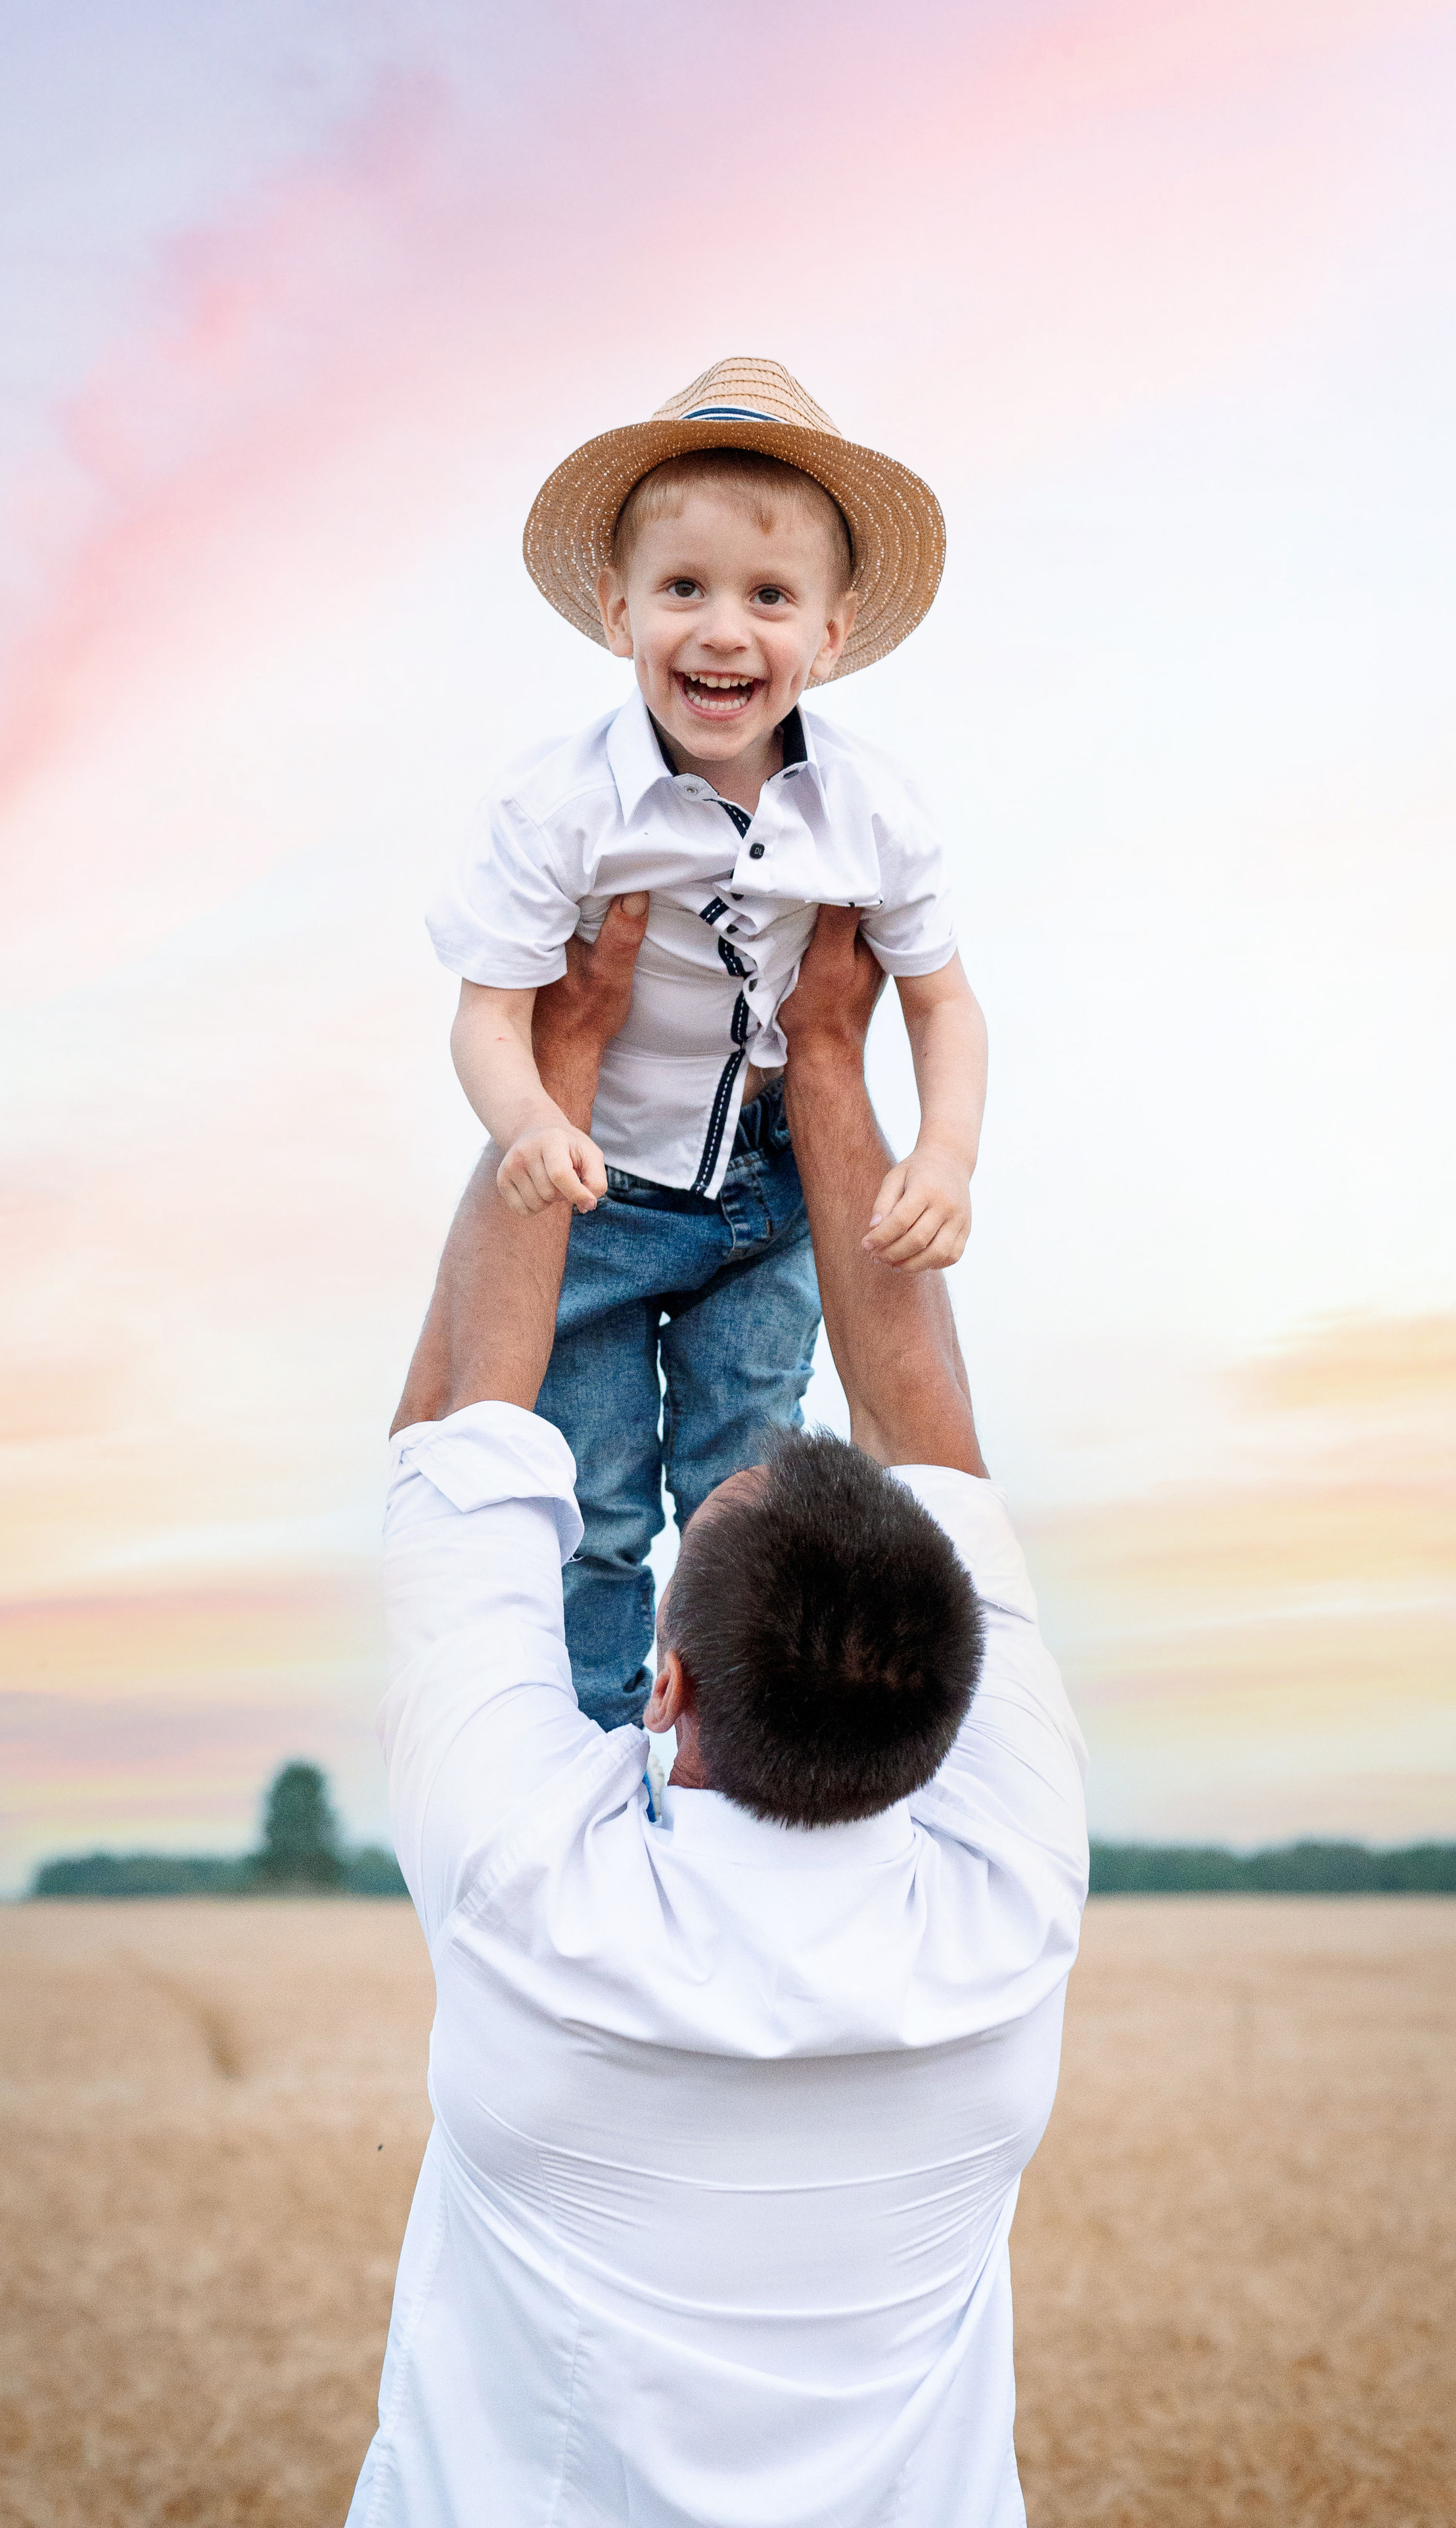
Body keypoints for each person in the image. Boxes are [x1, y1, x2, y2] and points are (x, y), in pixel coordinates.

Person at [346, 898, 1088, 2528]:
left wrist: (551, 1079)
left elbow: (452, 1415)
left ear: (660, 1683)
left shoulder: (532, 1887)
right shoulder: (1005, 1903)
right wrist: (826, 1053)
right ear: (956, 1708)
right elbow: (923, 1418)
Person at [428, 357, 989, 1726]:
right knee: (595, 1491)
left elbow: (941, 997)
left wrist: (946, 1152)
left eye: (766, 596)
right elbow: (489, 1011)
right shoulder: (558, 806)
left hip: (766, 1192)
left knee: (745, 1481)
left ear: (831, 633)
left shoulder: (870, 809)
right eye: (682, 589)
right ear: (617, 610)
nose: (721, 630)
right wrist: (530, 1122)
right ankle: (594, 1742)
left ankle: (729, 1740)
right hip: (598, 1186)